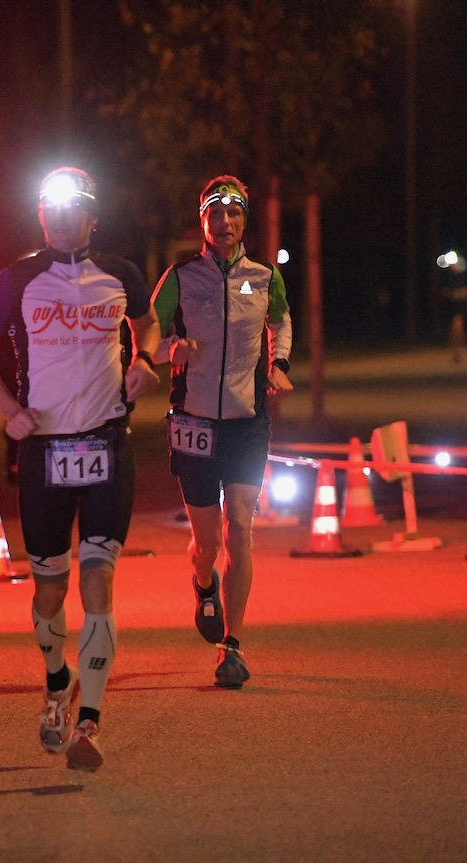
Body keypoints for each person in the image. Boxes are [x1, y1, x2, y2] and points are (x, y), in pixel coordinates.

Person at [0, 166, 161, 771]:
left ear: (92, 218)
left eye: (76, 208)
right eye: (53, 207)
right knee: (50, 590)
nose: (64, 217)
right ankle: (57, 682)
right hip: (43, 453)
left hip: (106, 446)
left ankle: (89, 725)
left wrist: (145, 358)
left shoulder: (121, 274)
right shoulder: (15, 279)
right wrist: (8, 412)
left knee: (98, 582)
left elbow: (147, 321)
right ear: (41, 217)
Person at [151, 175, 293, 689]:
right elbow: (148, 328)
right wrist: (171, 350)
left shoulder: (262, 276)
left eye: (235, 214)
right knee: (206, 541)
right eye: (217, 213)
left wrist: (279, 362)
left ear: (244, 221)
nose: (226, 222)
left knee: (241, 528)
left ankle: (231, 646)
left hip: (246, 422)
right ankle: (203, 582)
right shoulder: (182, 276)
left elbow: (281, 321)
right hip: (193, 420)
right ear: (204, 221)